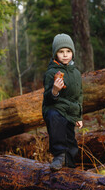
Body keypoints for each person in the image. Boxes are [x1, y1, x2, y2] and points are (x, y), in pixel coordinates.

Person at [42, 33, 83, 171]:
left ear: (72, 53)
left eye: (68, 51)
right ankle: (59, 155)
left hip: (70, 111)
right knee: (56, 121)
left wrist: (78, 116)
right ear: (55, 54)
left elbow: (79, 95)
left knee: (71, 140)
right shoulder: (51, 72)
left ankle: (70, 166)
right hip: (56, 108)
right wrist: (54, 90)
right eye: (61, 51)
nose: (65, 55)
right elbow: (47, 99)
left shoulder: (76, 73)